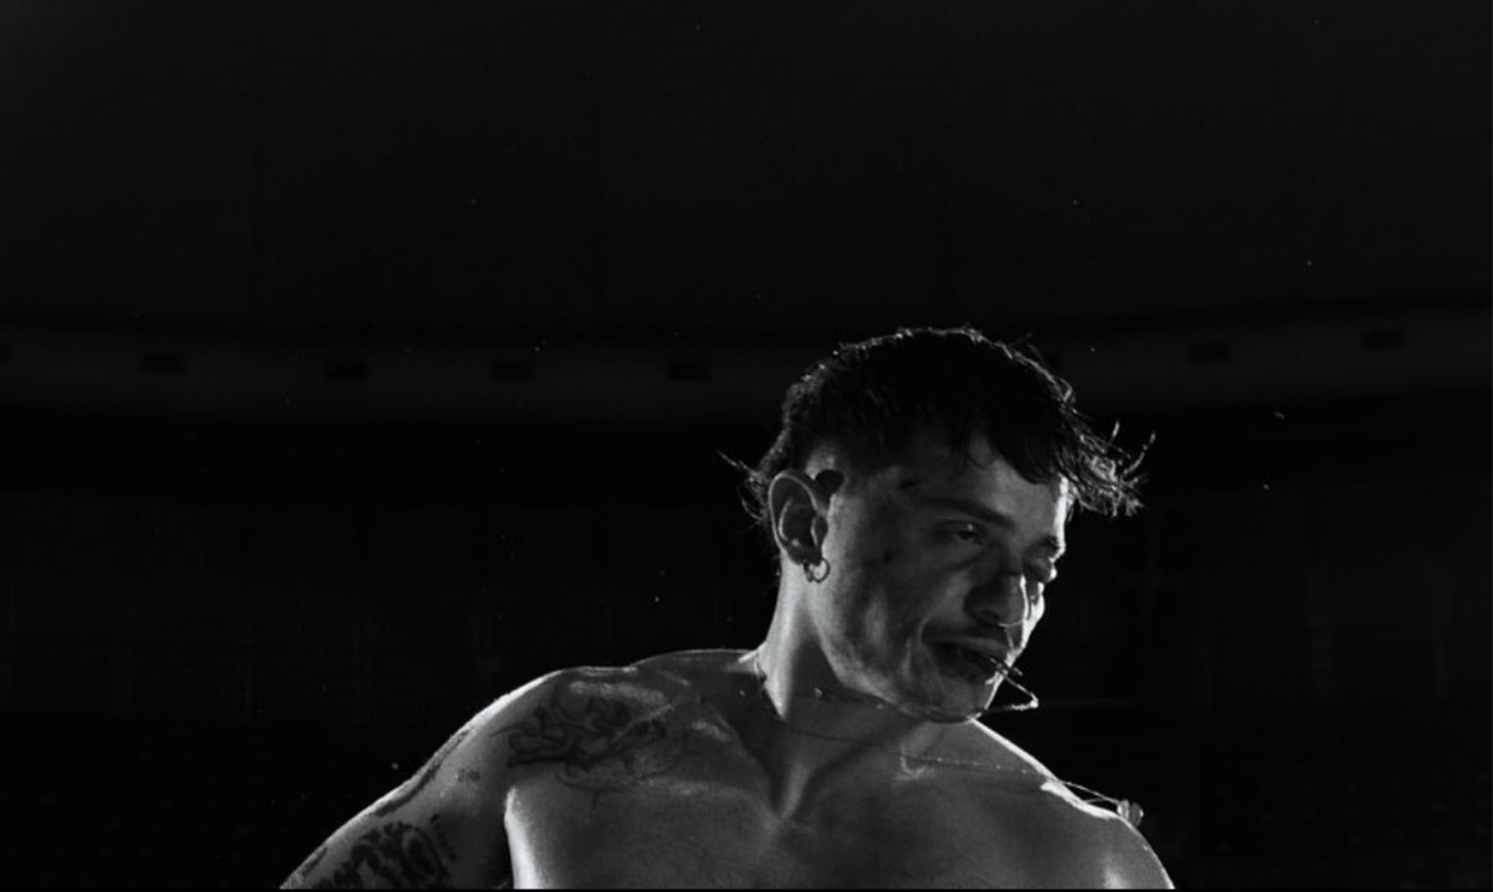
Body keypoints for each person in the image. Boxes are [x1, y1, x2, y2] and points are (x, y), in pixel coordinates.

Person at [280, 327, 1174, 888]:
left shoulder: (1083, 862)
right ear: (804, 521)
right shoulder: (560, 739)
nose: (1009, 604)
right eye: (965, 535)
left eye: (1040, 567)